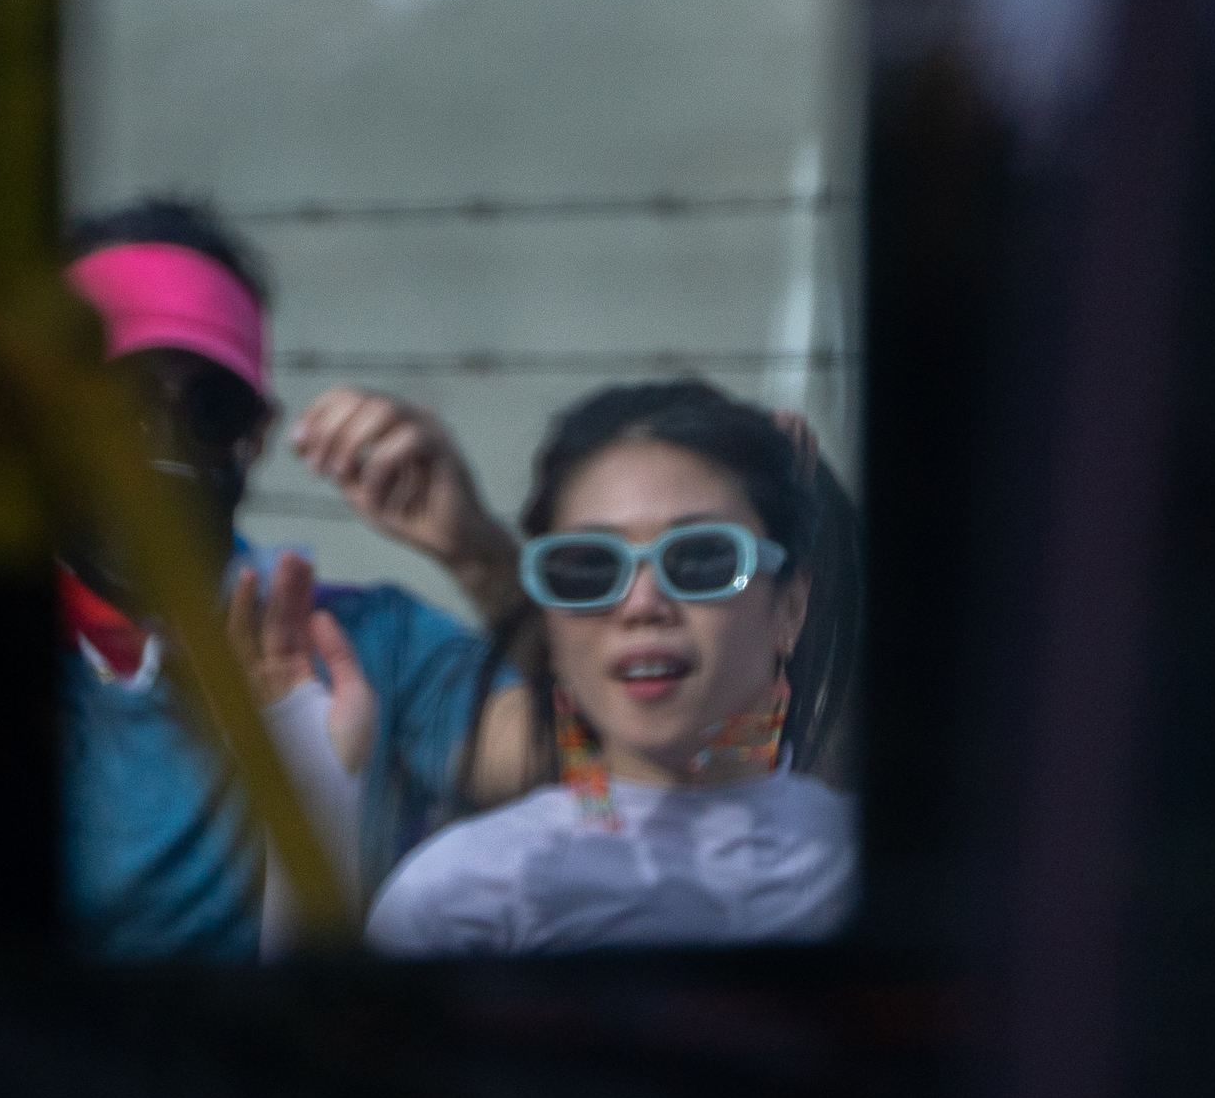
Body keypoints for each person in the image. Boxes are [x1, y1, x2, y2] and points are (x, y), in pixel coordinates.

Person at [58, 197, 530, 959]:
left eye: (210, 408)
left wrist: (478, 553)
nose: (159, 441)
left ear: (257, 434)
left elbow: (596, 762)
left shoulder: (356, 647)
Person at [366, 380, 859, 955]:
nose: (642, 605)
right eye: (589, 568)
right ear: (550, 620)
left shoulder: (885, 872)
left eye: (702, 558)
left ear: (791, 607)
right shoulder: (451, 897)